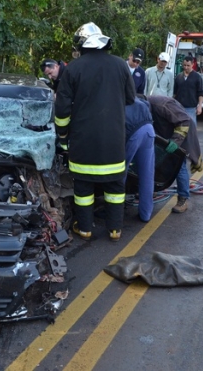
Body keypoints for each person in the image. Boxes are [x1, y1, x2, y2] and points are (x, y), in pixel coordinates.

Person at [55, 22, 135, 241]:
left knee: (83, 186)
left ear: (82, 45)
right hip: (114, 141)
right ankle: (115, 229)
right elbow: (130, 98)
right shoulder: (120, 65)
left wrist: (62, 135)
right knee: (115, 186)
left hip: (83, 141)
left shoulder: (73, 68)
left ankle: (86, 229)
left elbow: (61, 109)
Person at [145, 95, 203, 213]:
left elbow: (184, 121)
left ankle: (183, 199)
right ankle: (153, 190)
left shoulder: (162, 105)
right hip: (166, 132)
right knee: (155, 161)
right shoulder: (144, 106)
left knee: (179, 166)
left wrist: (175, 142)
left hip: (181, 131)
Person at [125, 97, 155, 222]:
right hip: (149, 130)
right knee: (147, 175)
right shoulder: (138, 100)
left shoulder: (113, 100)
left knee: (119, 172)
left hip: (133, 134)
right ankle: (145, 214)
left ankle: (114, 213)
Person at [173, 55, 203, 124]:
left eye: (188, 65)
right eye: (184, 65)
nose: (186, 67)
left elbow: (200, 93)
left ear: (192, 65)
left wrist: (200, 106)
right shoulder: (178, 77)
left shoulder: (197, 77)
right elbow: (174, 93)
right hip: (179, 107)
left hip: (191, 108)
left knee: (191, 128)